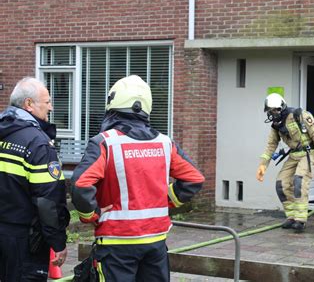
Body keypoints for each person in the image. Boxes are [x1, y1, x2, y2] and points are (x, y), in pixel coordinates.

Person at [71, 75, 205, 281]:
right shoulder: (164, 143)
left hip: (117, 243)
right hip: (155, 241)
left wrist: (91, 215)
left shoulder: (105, 143)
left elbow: (81, 184)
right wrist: (166, 200)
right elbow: (194, 179)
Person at [0, 77, 70, 281]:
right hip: (24, 241)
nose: (51, 107)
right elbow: (48, 202)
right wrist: (58, 243)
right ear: (29, 104)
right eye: (47, 102)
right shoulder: (37, 144)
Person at [256, 93, 314, 233]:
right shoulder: (275, 125)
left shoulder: (299, 115)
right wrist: (263, 164)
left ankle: (300, 219)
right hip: (294, 155)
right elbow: (271, 145)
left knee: (299, 181)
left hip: (308, 153)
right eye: (270, 111)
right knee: (281, 184)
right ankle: (291, 216)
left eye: (275, 110)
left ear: (282, 107)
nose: (273, 113)